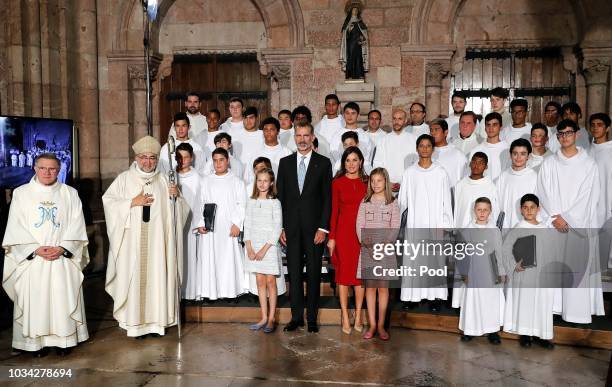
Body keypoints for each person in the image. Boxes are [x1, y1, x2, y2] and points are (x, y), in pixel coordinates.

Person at [2, 153, 89, 357]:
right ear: (34, 168)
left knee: (62, 297)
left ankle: (63, 341)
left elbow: (78, 224)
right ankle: (35, 344)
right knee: (36, 299)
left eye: (52, 169)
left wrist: (63, 247)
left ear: (59, 170)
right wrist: (34, 249)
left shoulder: (70, 193)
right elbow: (15, 225)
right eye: (43, 168)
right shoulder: (21, 193)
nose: (47, 173)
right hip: (33, 258)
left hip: (62, 257)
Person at [103, 136, 187, 338]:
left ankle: (157, 324)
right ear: (136, 157)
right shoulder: (124, 179)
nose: (147, 162)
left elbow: (180, 213)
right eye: (143, 158)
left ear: (157, 159)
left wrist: (175, 197)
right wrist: (132, 202)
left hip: (159, 245)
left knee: (158, 277)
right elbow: (109, 202)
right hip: (132, 245)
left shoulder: (165, 179)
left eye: (152, 158)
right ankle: (135, 325)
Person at [537, 119, 604, 324]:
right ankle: (555, 308)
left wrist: (566, 217)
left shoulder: (589, 164)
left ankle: (576, 313)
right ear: (557, 137)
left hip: (577, 226)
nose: (565, 137)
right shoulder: (549, 163)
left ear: (576, 134)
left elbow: (589, 196)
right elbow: (543, 192)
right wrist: (555, 218)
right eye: (561, 134)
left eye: (568, 133)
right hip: (555, 224)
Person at [277, 121, 333, 333]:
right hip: (290, 229)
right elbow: (280, 198)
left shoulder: (324, 163)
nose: (302, 139)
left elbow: (327, 199)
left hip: (314, 230)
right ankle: (296, 317)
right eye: (298, 135)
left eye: (305, 135)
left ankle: (311, 318)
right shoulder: (285, 163)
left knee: (313, 274)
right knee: (294, 272)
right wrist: (280, 227)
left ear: (312, 137)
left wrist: (323, 228)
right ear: (294, 137)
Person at [398, 134, 453, 310]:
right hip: (415, 224)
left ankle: (435, 298)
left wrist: (447, 227)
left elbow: (446, 202)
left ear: (433, 149)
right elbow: (402, 202)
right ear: (417, 148)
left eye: (428, 146)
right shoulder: (409, 173)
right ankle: (411, 297)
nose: (424, 149)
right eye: (421, 146)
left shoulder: (441, 172)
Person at [503, 194, 556, 349]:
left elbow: (551, 252)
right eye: (525, 207)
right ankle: (525, 334)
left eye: (532, 207)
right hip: (524, 275)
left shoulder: (545, 229)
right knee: (525, 303)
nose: (529, 210)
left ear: (538, 209)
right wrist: (514, 265)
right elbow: (506, 250)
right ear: (521, 210)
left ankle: (543, 336)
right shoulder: (517, 229)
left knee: (542, 303)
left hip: (542, 275)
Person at [195, 148, 247, 300]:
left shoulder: (237, 181)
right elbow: (200, 203)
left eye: (221, 160)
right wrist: (200, 222)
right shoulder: (206, 180)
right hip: (211, 227)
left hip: (229, 227)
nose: (218, 163)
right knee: (211, 258)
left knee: (228, 258)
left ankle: (229, 291)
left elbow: (242, 204)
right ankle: (211, 292)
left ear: (227, 160)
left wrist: (237, 224)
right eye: (215, 160)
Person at [327, 146, 368, 335]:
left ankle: (358, 315)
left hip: (362, 235)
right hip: (343, 234)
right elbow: (334, 212)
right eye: (348, 160)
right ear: (344, 163)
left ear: (361, 162)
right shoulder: (337, 183)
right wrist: (332, 238)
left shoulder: (368, 182)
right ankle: (344, 314)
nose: (351, 164)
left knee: (359, 279)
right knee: (343, 278)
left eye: (354, 160)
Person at [356, 167, 400, 340]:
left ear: (386, 182)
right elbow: (359, 224)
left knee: (383, 289)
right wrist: (368, 245)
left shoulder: (392, 202)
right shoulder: (365, 201)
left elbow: (395, 226)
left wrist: (383, 246)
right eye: (372, 181)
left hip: (386, 251)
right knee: (371, 288)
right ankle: (372, 325)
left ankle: (381, 325)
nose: (375, 184)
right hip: (368, 250)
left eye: (379, 181)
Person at [451, 153, 499, 310]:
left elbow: (494, 211)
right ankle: (462, 304)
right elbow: (457, 209)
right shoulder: (460, 185)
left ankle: (482, 306)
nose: (477, 165)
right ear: (470, 164)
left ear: (486, 166)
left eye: (481, 163)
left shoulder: (490, 186)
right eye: (475, 162)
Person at [456, 197, 505, 344]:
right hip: (473, 271)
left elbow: (499, 253)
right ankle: (470, 330)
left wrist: (501, 272)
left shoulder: (494, 231)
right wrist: (463, 273)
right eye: (479, 209)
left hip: (490, 271)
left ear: (490, 211)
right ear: (474, 211)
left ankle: (493, 331)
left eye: (485, 210)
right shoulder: (467, 230)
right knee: (472, 301)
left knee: (490, 301)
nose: (482, 212)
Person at [244, 168, 283, 333]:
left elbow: (277, 228)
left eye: (265, 180)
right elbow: (248, 225)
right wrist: (250, 247)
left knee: (270, 282)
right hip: (254, 247)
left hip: (269, 248)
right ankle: (264, 316)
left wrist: (264, 249)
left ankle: (272, 318)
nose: (262, 184)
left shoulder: (275, 202)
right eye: (259, 180)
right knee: (259, 281)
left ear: (271, 182)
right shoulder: (251, 201)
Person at [174, 143, 202, 300]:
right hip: (175, 222)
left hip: (191, 223)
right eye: (179, 157)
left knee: (190, 256)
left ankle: (190, 291)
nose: (183, 160)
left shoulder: (197, 177)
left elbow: (200, 202)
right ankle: (177, 291)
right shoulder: (171, 176)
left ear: (191, 158)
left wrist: (199, 223)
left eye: (186, 157)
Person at [372, 109, 417, 193]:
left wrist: (404, 183)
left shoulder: (414, 139)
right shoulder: (383, 140)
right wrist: (386, 182)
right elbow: (378, 163)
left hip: (408, 186)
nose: (397, 121)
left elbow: (416, 164)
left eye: (400, 119)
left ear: (405, 120)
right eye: (394, 118)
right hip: (387, 186)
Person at [496, 138, 538, 230]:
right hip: (505, 227)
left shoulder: (535, 177)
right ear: (510, 155)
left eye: (523, 154)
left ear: (529, 156)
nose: (518, 158)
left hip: (527, 227)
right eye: (515, 153)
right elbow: (497, 204)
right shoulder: (503, 176)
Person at [244, 117, 291, 185]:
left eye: (272, 129)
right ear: (263, 132)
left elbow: (291, 176)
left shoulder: (287, 153)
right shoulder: (256, 153)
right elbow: (248, 178)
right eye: (265, 130)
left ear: (278, 132)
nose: (268, 132)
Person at [469, 112, 510, 181]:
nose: (491, 128)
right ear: (485, 128)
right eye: (488, 125)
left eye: (494, 125)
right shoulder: (476, 150)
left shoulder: (508, 150)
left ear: (501, 127)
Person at [588, 113, 611, 231]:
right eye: (592, 125)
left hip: (608, 205)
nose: (595, 128)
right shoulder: (586, 152)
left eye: (600, 125)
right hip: (590, 207)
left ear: (607, 128)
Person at [430, 118, 467, 188]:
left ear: (446, 132)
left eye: (436, 129)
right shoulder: (426, 153)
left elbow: (464, 179)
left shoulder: (457, 154)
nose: (433, 133)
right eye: (431, 130)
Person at [340, 3, 368, 80]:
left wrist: (362, 38)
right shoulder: (348, 22)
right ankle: (350, 75)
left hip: (358, 44)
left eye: (356, 10)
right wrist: (349, 29)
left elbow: (364, 33)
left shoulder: (360, 21)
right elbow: (345, 34)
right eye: (353, 10)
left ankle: (359, 74)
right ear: (351, 11)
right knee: (351, 57)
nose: (355, 11)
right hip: (351, 43)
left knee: (359, 58)